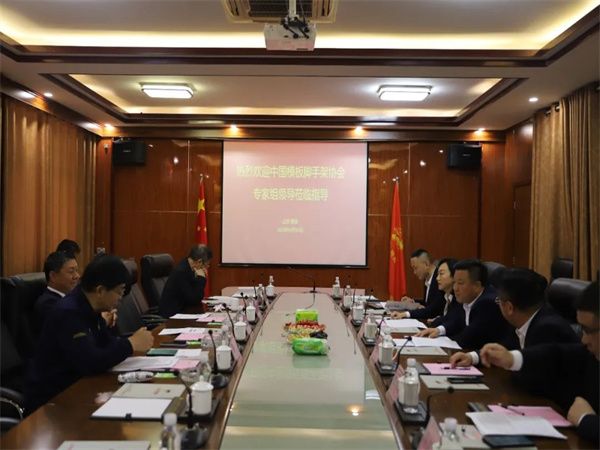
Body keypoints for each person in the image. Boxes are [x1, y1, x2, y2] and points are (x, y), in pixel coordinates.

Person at [24, 255, 154, 413]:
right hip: (52, 402)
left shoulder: (89, 307)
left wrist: (130, 342)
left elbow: (105, 343)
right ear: (100, 290)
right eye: (119, 292)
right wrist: (130, 344)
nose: (121, 298)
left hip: (77, 389)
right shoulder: (69, 312)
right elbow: (90, 361)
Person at [479, 281, 599, 444]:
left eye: (588, 330)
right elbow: (556, 354)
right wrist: (512, 359)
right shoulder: (589, 353)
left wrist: (585, 420)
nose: (584, 339)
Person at [450, 268, 579, 367]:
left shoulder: (548, 329)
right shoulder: (520, 321)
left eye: (498, 300)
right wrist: (472, 357)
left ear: (509, 308)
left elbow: (533, 373)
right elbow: (505, 350)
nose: (497, 304)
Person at [417, 259, 509, 350]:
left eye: (460, 283)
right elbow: (457, 320)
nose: (455, 288)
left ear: (477, 286)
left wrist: (439, 341)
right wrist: (439, 330)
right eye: (454, 282)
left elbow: (467, 339)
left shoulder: (487, 303)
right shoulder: (468, 298)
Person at [159, 244, 212, 318]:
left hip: (183, 311)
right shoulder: (182, 272)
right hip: (172, 317)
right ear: (199, 262)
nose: (208, 267)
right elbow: (195, 299)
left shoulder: (188, 266)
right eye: (207, 264)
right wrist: (201, 278)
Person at [391, 249, 444, 320]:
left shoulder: (439, 280)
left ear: (426, 264)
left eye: (415, 268)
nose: (414, 272)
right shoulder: (428, 278)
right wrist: (413, 301)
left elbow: (432, 310)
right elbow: (428, 303)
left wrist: (405, 314)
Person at [34, 251, 80, 331]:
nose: (77, 276)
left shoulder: (72, 297)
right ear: (53, 276)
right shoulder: (48, 304)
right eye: (71, 271)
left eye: (77, 270)